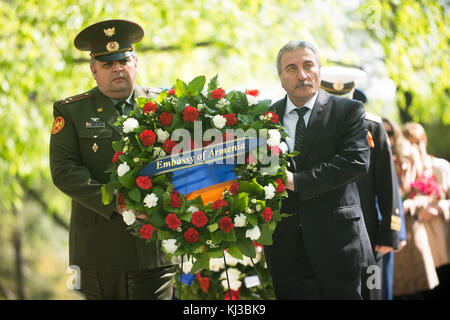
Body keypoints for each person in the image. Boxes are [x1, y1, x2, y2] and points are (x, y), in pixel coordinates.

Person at [49, 19, 176, 300]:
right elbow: (64, 171)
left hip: (154, 249)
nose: (117, 68)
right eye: (107, 63)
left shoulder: (165, 106)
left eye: (123, 59)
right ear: (93, 70)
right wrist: (118, 201)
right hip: (99, 252)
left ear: (136, 62)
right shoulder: (71, 112)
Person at [263, 40, 374, 299]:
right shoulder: (264, 118)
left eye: (308, 65)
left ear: (319, 71)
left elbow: (356, 161)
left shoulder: (348, 110)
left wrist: (297, 181)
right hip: (286, 251)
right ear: (280, 78)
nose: (301, 74)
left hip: (340, 245)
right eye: (291, 68)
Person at [319, 66, 402, 300]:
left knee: (370, 291)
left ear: (353, 94)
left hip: (368, 232)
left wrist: (390, 232)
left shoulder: (372, 127)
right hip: (324, 230)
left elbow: (388, 183)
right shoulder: (312, 125)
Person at [402, 122, 450, 299]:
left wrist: (440, 208)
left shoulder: (441, 167)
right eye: (410, 144)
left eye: (418, 142)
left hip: (444, 242)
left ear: (425, 141)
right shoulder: (406, 173)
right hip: (421, 250)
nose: (416, 148)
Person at [381, 117, 407, 300]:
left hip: (386, 231)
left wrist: (399, 233)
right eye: (382, 131)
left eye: (389, 132)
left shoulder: (395, 161)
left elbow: (395, 199)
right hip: (368, 229)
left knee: (382, 287)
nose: (386, 136)